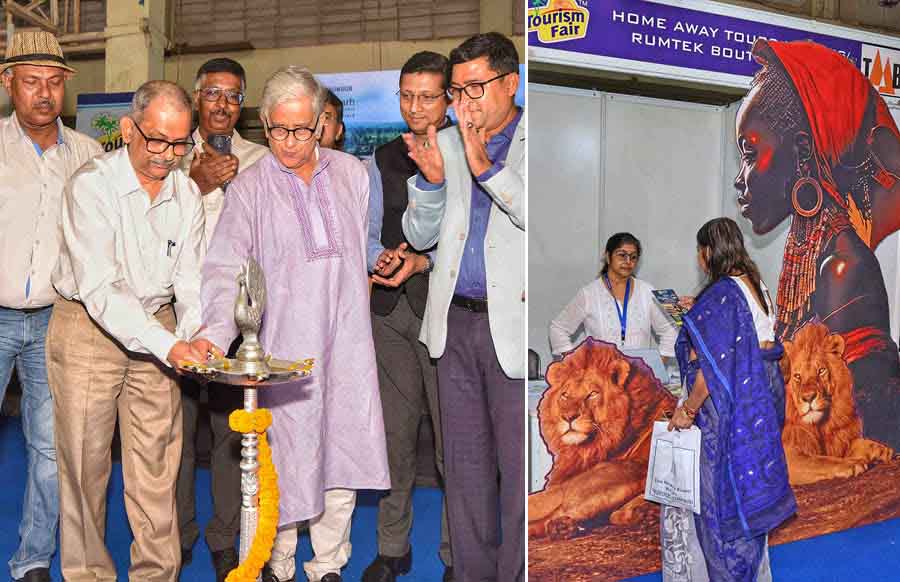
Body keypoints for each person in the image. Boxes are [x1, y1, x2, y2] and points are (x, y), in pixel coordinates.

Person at [201, 66, 390, 582]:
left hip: (347, 342)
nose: (290, 142)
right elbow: (223, 268)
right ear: (264, 124)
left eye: (302, 130)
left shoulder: (352, 175)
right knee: (282, 461)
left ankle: (329, 564)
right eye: (279, 130)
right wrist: (213, 339)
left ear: (322, 124)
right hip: (284, 356)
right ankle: (277, 562)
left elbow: (364, 248)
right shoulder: (250, 189)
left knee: (343, 452)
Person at [48, 80, 217, 581]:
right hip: (86, 329)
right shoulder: (90, 185)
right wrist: (172, 346)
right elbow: (101, 291)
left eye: (181, 143)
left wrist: (193, 332)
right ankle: (88, 575)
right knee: (84, 467)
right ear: (128, 129)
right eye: (157, 140)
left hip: (159, 327)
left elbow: (190, 279)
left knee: (158, 470)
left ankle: (156, 575)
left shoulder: (187, 193)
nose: (168, 155)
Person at [401, 32, 525, 582]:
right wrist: (430, 185)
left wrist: (485, 167)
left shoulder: (534, 141)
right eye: (457, 91)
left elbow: (536, 219)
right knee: (466, 470)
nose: (463, 104)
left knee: (518, 471)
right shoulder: (446, 143)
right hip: (452, 326)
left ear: (511, 83)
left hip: (512, 328)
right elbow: (419, 235)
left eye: (475, 88)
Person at [736, 39, 900, 449]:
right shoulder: (813, 255)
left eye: (750, 153)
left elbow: (851, 430)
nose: (741, 178)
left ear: (803, 151)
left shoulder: (843, 268)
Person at [0, 30, 101, 582]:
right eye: (31, 81)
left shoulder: (87, 158)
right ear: (7, 82)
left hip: (54, 322)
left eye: (54, 82)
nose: (43, 93)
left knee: (48, 450)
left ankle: (33, 560)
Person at [662, 217, 796, 582]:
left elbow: (711, 369)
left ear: (709, 251)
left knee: (722, 499)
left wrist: (688, 411)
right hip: (763, 396)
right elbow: (749, 336)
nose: (698, 257)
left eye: (699, 249)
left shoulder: (722, 295)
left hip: (732, 407)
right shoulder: (754, 283)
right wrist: (702, 308)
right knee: (752, 486)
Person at [363, 50, 454, 582]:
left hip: (444, 315)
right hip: (390, 317)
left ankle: (453, 554)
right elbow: (370, 224)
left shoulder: (469, 155)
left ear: (447, 99)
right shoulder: (380, 158)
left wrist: (425, 260)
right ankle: (391, 548)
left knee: (450, 450)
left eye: (426, 96)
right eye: (406, 95)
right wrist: (378, 255)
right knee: (394, 442)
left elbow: (474, 243)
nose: (415, 107)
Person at [176, 57, 268, 580]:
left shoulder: (261, 159)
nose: (222, 104)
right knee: (178, 437)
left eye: (233, 96)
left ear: (243, 104)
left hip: (243, 320)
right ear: (196, 99)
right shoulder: (170, 152)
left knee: (235, 434)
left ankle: (224, 536)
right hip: (182, 319)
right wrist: (196, 182)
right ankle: (181, 532)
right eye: (212, 93)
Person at [548, 232, 677, 359]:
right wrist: (575, 363)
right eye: (622, 255)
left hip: (639, 377)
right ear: (608, 257)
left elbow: (670, 330)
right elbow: (558, 329)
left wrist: (657, 366)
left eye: (633, 257)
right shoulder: (589, 294)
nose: (628, 261)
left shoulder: (647, 292)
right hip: (600, 376)